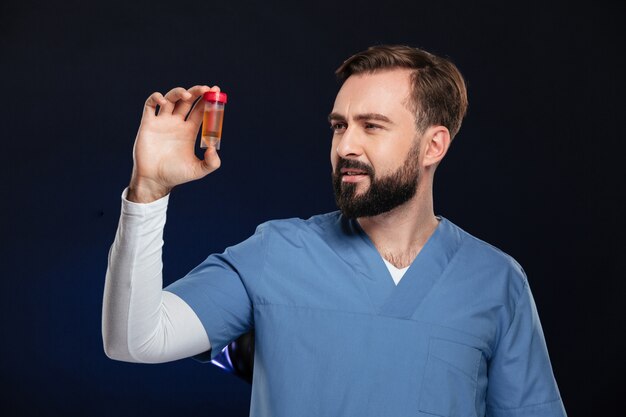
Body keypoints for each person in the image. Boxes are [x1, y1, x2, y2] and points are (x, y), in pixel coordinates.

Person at [102, 45, 567, 417]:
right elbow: (133, 340)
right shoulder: (275, 254)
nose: (346, 145)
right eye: (339, 126)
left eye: (372, 126)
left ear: (434, 145)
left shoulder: (496, 282)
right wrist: (149, 188)